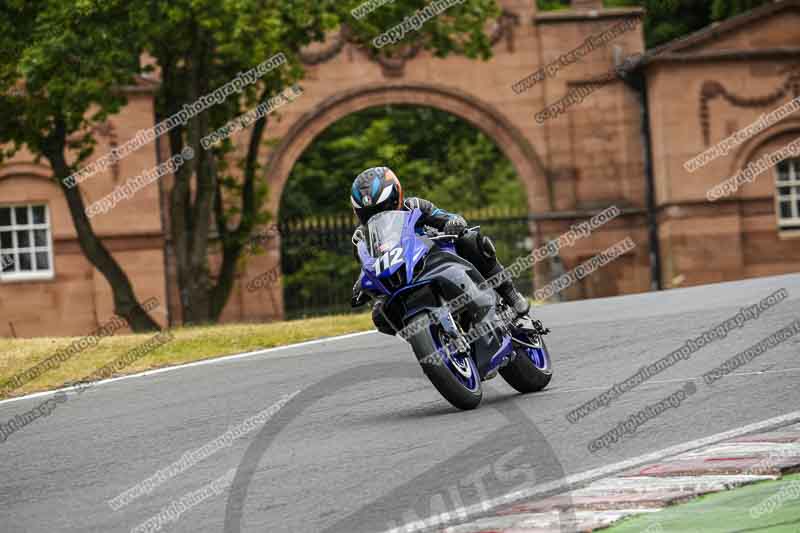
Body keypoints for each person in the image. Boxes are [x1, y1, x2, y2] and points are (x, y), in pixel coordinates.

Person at [349, 166, 531, 335]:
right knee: (380, 315)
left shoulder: (414, 206)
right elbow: (369, 263)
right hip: (401, 279)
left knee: (471, 241)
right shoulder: (362, 236)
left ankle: (511, 296)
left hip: (434, 260)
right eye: (369, 213)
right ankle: (426, 335)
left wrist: (454, 223)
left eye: (383, 207)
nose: (379, 215)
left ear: (396, 197)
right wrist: (361, 283)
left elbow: (446, 217)